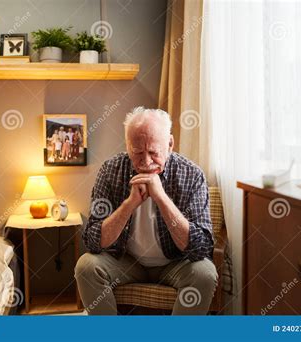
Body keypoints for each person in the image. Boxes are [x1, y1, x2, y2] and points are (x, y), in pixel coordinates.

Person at [75, 107, 217, 315]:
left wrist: (161, 198)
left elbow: (202, 248)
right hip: (127, 261)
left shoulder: (192, 174)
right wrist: (129, 204)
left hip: (175, 263)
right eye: (138, 153)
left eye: (153, 153)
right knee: (86, 266)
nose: (146, 162)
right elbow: (94, 241)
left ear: (170, 144)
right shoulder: (110, 170)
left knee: (205, 273)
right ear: (128, 145)